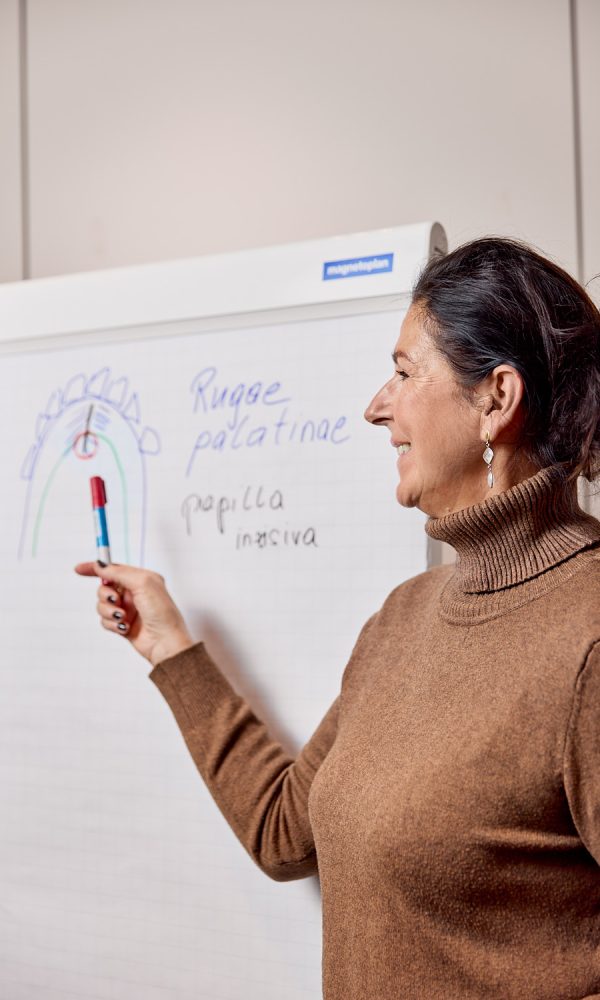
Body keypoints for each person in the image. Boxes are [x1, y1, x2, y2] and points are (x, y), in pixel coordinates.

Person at [76, 236, 600, 1000]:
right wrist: (168, 646)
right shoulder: (403, 619)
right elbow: (286, 831)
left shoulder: (587, 636)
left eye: (401, 373)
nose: (375, 406)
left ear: (497, 398)